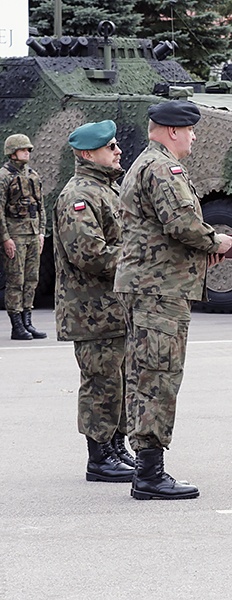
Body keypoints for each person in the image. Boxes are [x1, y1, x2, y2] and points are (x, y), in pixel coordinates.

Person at [114, 100, 232, 500]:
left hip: (148, 285)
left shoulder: (146, 164)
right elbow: (181, 223)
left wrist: (204, 248)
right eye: (190, 129)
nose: (194, 136)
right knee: (158, 376)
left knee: (143, 373)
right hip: (159, 289)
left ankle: (145, 466)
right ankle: (150, 474)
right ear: (172, 131)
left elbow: (167, 229)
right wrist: (214, 239)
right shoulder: (163, 168)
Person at [54, 120, 135, 483]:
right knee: (100, 383)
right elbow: (89, 254)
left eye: (116, 145)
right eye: (110, 146)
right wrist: (141, 261)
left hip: (112, 307)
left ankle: (116, 447)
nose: (118, 151)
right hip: (91, 311)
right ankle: (99, 457)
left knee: (117, 381)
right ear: (88, 154)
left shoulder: (106, 190)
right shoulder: (79, 196)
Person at [0, 134, 47, 340]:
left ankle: (28, 321)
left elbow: (41, 206)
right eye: (24, 149)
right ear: (12, 153)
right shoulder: (4, 177)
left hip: (32, 233)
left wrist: (42, 232)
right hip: (15, 234)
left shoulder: (32, 175)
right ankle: (16, 325)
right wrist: (5, 238)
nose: (28, 152)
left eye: (28, 149)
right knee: (15, 280)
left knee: (31, 279)